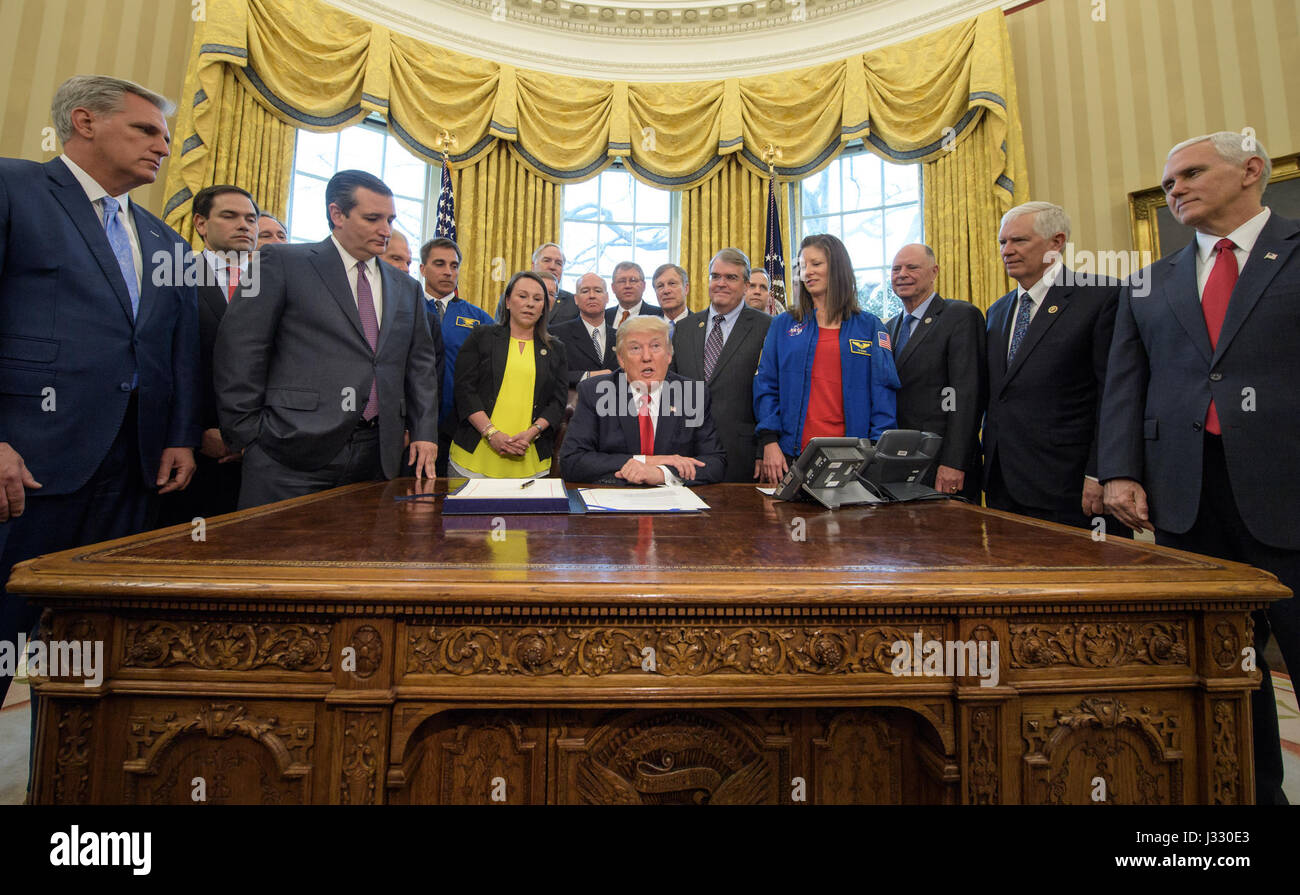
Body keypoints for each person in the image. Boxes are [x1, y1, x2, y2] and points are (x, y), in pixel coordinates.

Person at [1099, 132, 1300, 805]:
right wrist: (1121, 470)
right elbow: (1126, 383)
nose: (1174, 188)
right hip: (1188, 501)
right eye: (1167, 181)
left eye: (1190, 173)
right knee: (1224, 673)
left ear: (1250, 172)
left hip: (1289, 493)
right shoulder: (1151, 280)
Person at [0, 74, 199, 709]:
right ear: (84, 122)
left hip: (133, 474)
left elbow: (174, 350)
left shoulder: (165, 239)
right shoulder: (14, 188)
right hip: (25, 467)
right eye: (146, 130)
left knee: (91, 652)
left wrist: (178, 438)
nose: (163, 148)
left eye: (166, 136)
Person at [215, 170, 438, 508]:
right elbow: (240, 350)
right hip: (290, 452)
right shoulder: (282, 263)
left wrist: (423, 433)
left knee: (359, 558)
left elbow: (420, 366)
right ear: (337, 214)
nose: (386, 229)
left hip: (378, 455)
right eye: (373, 218)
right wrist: (248, 433)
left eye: (390, 218)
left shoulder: (406, 288)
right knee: (272, 556)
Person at [983, 201, 1128, 536]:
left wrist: (1101, 472)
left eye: (1019, 241)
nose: (1007, 250)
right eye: (1003, 242)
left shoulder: (1101, 296)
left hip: (1073, 487)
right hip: (1004, 485)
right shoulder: (998, 311)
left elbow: (1116, 395)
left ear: (1056, 242)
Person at [754, 233, 899, 483]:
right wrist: (769, 441)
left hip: (854, 459)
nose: (807, 272)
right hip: (791, 455)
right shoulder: (783, 325)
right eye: (802, 266)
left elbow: (883, 395)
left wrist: (876, 452)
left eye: (816, 264)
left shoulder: (870, 327)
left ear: (838, 267)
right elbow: (766, 385)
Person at [158, 184, 259, 525]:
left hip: (261, 454)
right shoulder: (174, 275)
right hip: (194, 450)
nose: (244, 225)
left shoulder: (275, 284)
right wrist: (192, 432)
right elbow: (165, 362)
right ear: (201, 223)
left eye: (251, 218)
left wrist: (256, 436)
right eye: (230, 216)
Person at [560, 316, 725, 485]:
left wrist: (661, 473)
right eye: (635, 348)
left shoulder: (692, 394)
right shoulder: (594, 392)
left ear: (669, 355)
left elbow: (714, 463)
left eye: (655, 346)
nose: (647, 357)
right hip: (615, 500)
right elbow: (572, 461)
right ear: (621, 359)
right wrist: (648, 461)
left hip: (674, 502)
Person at [885, 244, 986, 501]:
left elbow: (967, 395)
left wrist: (954, 462)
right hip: (899, 462)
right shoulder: (888, 328)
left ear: (934, 272)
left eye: (912, 267)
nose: (902, 274)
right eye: (896, 269)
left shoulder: (960, 316)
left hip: (943, 464)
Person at [449, 271, 569, 478]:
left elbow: (557, 403)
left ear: (544, 309)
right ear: (507, 302)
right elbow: (464, 391)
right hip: (473, 459)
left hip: (531, 461)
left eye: (537, 299)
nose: (530, 303)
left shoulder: (555, 348)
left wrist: (531, 433)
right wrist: (491, 433)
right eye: (522, 296)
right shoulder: (481, 337)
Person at [671, 248, 772, 482]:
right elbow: (672, 388)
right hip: (687, 452)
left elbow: (772, 392)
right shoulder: (685, 328)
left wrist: (763, 448)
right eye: (715, 276)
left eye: (731, 277)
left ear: (746, 285)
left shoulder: (766, 327)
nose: (721, 283)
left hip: (741, 453)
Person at [422, 237, 492, 475]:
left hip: (461, 424)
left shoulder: (479, 318)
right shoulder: (407, 308)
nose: (448, 272)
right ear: (422, 269)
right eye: (439, 264)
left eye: (454, 266)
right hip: (413, 423)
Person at [550, 272, 620, 386]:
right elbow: (551, 374)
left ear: (607, 298)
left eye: (598, 290)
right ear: (576, 299)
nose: (592, 295)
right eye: (585, 291)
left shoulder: (620, 337)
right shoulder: (557, 334)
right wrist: (588, 376)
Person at [606, 261, 663, 328]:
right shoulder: (604, 316)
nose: (627, 286)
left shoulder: (659, 315)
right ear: (613, 287)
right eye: (622, 281)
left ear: (643, 286)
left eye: (633, 280)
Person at [534, 243, 578, 324]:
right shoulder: (515, 296)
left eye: (558, 263)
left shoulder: (574, 303)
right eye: (547, 260)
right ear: (533, 266)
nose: (552, 267)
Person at [652, 263, 692, 334]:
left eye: (672, 283)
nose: (666, 291)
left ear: (686, 288)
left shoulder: (701, 327)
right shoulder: (649, 326)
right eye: (660, 286)